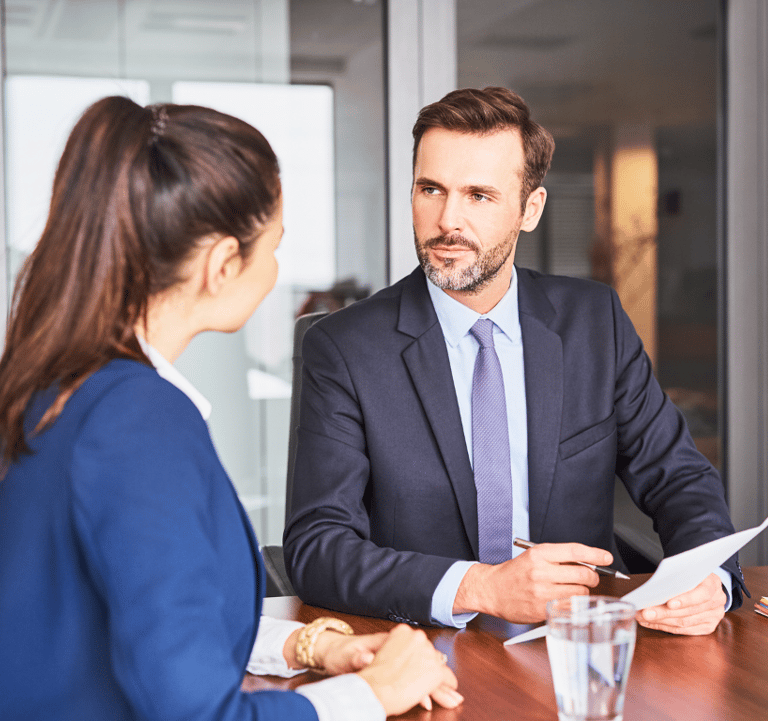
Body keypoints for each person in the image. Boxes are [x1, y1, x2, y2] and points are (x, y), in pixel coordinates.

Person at [0, 96, 462, 721]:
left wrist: (312, 646)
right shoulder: (138, 421)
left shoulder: (58, 387)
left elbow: (151, 625)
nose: (274, 270)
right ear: (222, 264)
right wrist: (371, 696)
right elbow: (196, 712)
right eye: (272, 246)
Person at [284, 86, 746, 636]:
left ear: (531, 209)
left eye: (479, 195)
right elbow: (318, 547)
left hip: (578, 641)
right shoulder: (344, 348)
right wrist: (481, 586)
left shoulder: (593, 322)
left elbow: (678, 477)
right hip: (425, 646)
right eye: (430, 189)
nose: (447, 220)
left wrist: (709, 577)